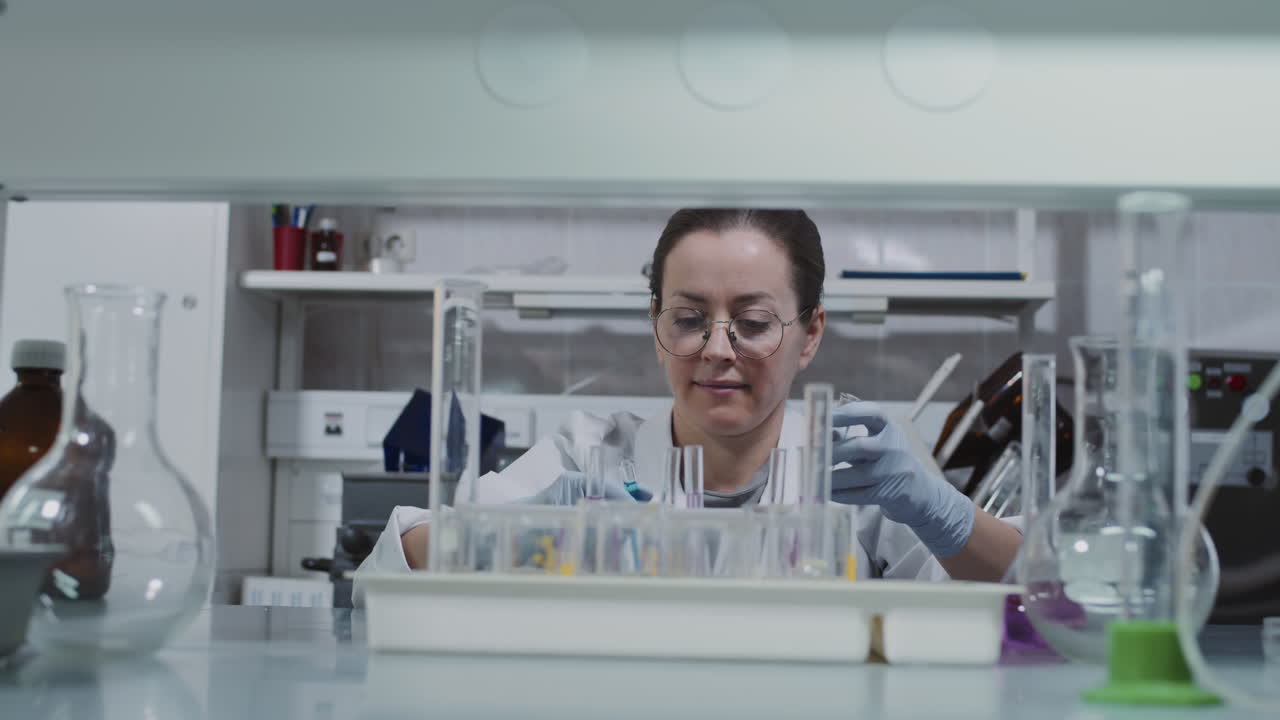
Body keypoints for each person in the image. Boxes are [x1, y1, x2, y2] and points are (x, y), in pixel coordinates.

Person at [353, 209, 1021, 602]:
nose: (717, 349)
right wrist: (529, 526)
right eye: (689, 317)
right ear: (656, 324)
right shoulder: (589, 453)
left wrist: (941, 513)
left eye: (754, 321)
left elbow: (1039, 601)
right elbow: (386, 574)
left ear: (809, 333)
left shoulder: (860, 467)